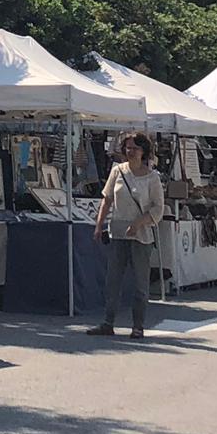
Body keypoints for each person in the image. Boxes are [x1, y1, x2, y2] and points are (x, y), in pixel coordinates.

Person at [87, 131, 165, 340]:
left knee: (140, 283)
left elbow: (158, 209)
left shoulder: (152, 178)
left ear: (144, 151)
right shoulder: (117, 172)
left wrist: (139, 223)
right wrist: (99, 224)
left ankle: (138, 326)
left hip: (141, 235)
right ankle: (108, 322)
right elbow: (107, 199)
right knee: (113, 280)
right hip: (118, 232)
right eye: (128, 148)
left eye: (135, 148)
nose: (131, 152)